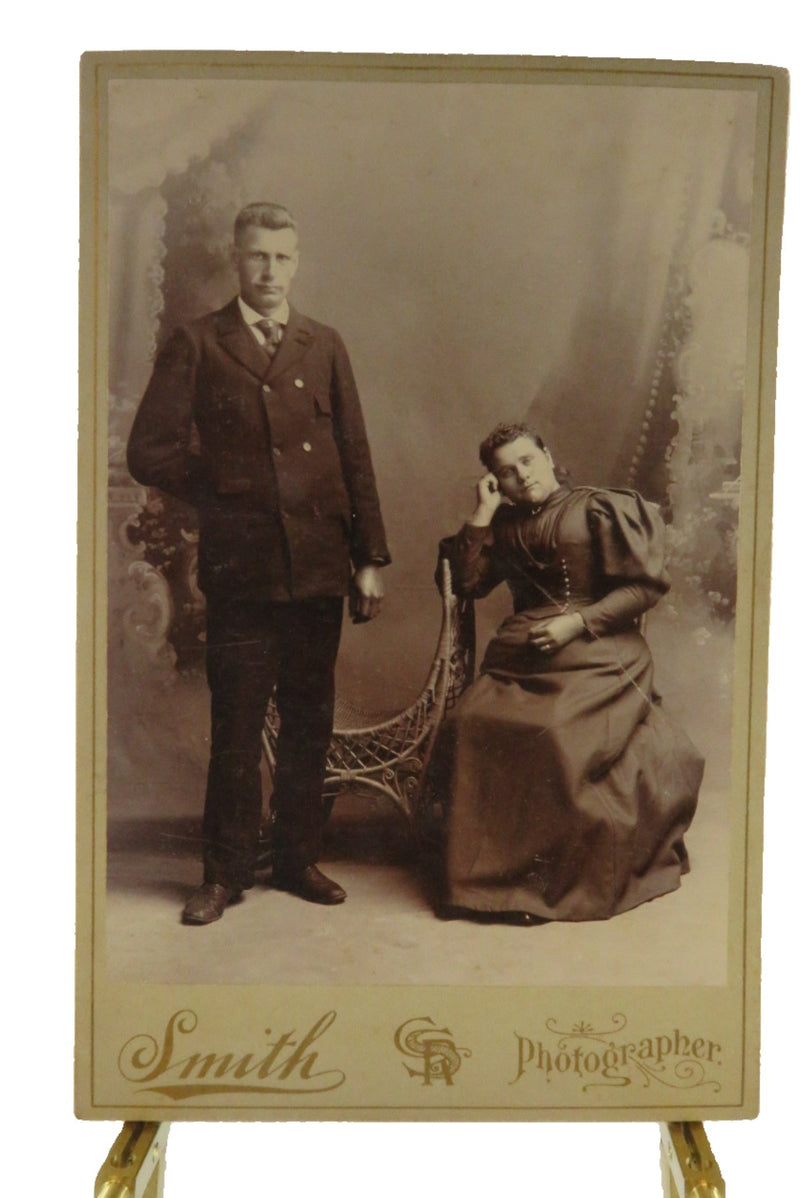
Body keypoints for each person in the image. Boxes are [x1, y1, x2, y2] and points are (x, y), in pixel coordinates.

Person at [127, 201, 390, 924]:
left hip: (318, 564)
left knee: (309, 721)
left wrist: (370, 556)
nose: (270, 271)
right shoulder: (197, 342)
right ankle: (224, 873)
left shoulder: (323, 343)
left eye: (282, 257)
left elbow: (355, 453)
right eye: (257, 256)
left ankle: (299, 859)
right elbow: (148, 451)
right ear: (236, 260)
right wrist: (227, 485)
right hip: (243, 569)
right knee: (237, 728)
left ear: (296, 263)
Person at [424, 422, 703, 927]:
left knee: (554, 734)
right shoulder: (503, 525)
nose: (521, 476)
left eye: (527, 461)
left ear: (548, 456)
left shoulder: (597, 508)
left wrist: (577, 623)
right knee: (470, 724)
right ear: (495, 481)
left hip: (599, 651)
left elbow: (643, 589)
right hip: (521, 659)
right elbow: (466, 584)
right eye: (506, 472)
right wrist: (482, 514)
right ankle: (487, 883)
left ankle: (545, 883)